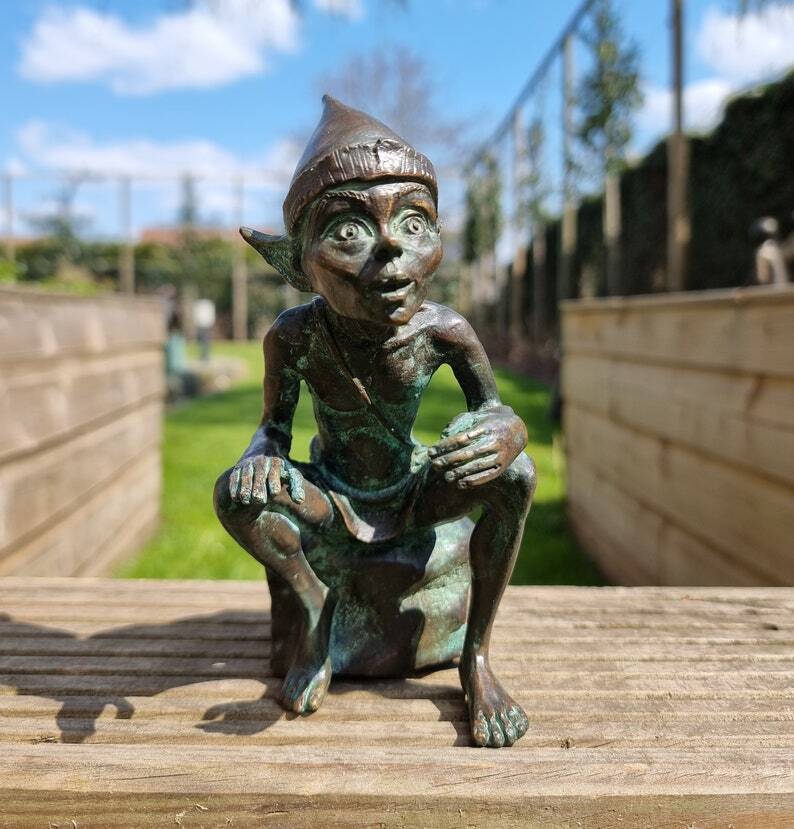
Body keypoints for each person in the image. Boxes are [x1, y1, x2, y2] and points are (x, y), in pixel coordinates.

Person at [214, 96, 535, 748]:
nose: (391, 246)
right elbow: (273, 427)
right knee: (234, 496)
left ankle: (475, 656)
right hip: (332, 496)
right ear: (298, 261)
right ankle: (315, 606)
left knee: (518, 477)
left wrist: (508, 434)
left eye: (415, 222)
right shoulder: (294, 337)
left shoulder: (444, 331)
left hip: (414, 490)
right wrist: (259, 459)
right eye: (348, 231)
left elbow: (493, 409)